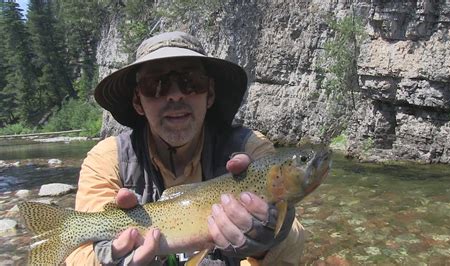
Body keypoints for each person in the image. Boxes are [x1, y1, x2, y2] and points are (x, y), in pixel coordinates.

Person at [65, 31, 305, 266]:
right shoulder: (108, 159)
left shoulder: (251, 149)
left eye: (190, 82)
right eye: (155, 85)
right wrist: (110, 261)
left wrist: (271, 239)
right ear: (138, 101)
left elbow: (293, 245)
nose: (175, 94)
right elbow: (79, 252)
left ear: (209, 93)